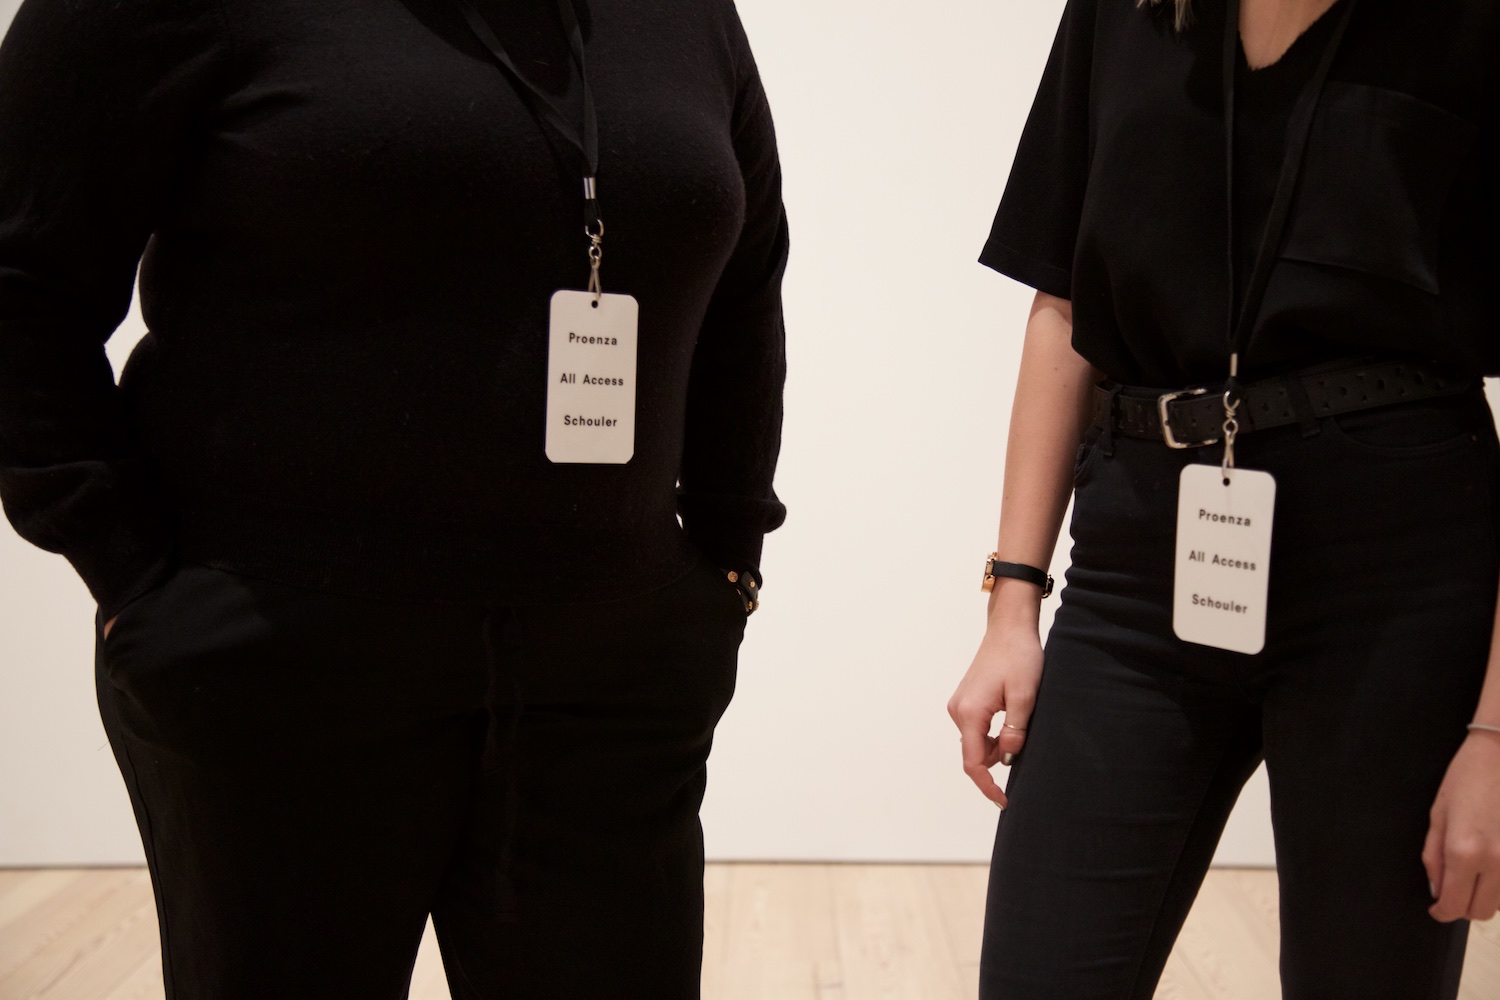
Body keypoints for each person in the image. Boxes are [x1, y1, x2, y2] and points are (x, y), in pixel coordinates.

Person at [0, 0, 787, 995]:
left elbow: (746, 281)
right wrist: (131, 574)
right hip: (277, 673)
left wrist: (727, 559)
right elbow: (19, 278)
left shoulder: (686, 16)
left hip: (611, 681)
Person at [947, 0, 1500, 997]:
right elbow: (1064, 300)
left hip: (1396, 583)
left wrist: (1498, 730)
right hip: (1137, 564)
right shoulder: (1124, 13)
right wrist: (1012, 601)